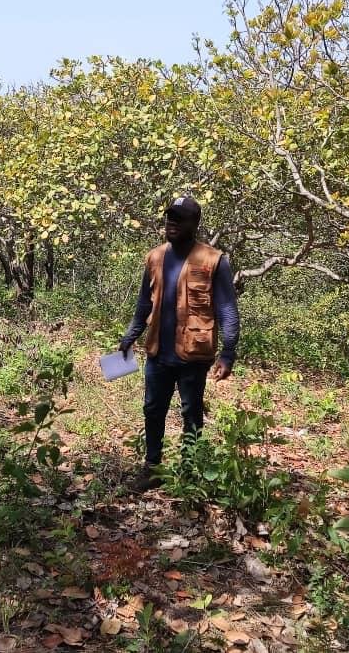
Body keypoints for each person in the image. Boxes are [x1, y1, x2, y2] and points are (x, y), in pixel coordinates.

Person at [119, 196, 240, 492]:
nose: (171, 223)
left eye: (179, 218)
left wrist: (228, 353)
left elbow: (227, 309)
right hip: (159, 352)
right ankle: (153, 467)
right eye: (168, 217)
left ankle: (190, 469)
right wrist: (130, 336)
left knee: (191, 413)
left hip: (193, 356)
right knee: (152, 409)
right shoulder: (156, 257)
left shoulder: (214, 260)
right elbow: (143, 304)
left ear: (194, 223)